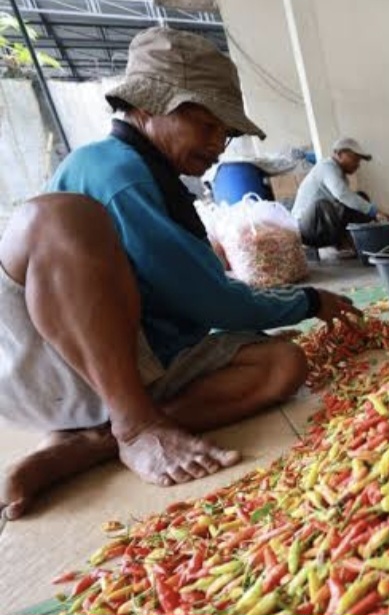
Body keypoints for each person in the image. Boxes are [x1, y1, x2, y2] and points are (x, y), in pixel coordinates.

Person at [0, 28, 362, 520]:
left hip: (140, 356)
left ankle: (91, 444)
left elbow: (194, 292)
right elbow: (212, 301)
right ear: (147, 108)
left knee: (283, 364)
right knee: (60, 218)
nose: (218, 144)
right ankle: (132, 427)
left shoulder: (156, 175)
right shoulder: (114, 172)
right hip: (63, 366)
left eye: (224, 132)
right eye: (205, 124)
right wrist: (308, 302)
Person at [292, 137, 383, 251]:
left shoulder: (340, 174)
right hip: (306, 228)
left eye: (359, 161)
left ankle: (358, 239)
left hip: (318, 225)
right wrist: (374, 211)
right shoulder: (327, 167)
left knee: (360, 198)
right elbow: (342, 195)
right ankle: (340, 243)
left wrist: (371, 214)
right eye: (354, 159)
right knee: (323, 206)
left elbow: (346, 201)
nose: (357, 164)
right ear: (339, 154)